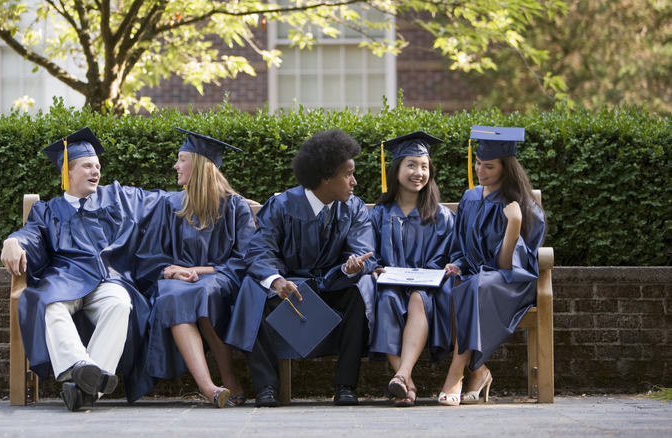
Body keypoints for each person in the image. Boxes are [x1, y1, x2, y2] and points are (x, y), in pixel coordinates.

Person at [0, 128, 163, 411]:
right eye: (88, 165)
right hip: (65, 279)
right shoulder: (48, 210)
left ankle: (82, 386)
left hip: (106, 278)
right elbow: (30, 234)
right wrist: (12, 240)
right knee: (47, 304)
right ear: (68, 171)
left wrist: (224, 200)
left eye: (98, 166)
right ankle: (83, 369)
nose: (95, 171)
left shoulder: (116, 199)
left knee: (121, 303)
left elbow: (163, 202)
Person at [225, 129, 376, 407]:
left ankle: (345, 386)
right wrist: (277, 280)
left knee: (361, 290)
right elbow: (260, 250)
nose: (354, 182)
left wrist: (351, 268)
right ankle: (266, 387)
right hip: (291, 285)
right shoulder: (282, 206)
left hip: (333, 283)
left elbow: (361, 248)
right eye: (348, 174)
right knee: (253, 290)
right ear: (325, 177)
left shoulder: (353, 208)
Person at [135, 128, 255, 408]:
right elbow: (150, 255)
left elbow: (244, 259)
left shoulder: (234, 207)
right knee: (175, 293)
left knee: (202, 291)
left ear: (200, 165)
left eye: (182, 159)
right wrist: (171, 271)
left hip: (219, 279)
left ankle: (228, 375)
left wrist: (198, 272)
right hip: (177, 281)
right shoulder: (170, 206)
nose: (176, 166)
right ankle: (210, 388)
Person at [437, 125, 546, 406]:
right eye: (478, 163)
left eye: (489, 166)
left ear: (506, 168)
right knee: (447, 286)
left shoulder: (525, 207)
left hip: (510, 283)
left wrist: (515, 223)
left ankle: (455, 374)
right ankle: (480, 371)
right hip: (477, 277)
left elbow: (507, 265)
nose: (480, 171)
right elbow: (460, 246)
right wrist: (457, 264)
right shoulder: (470, 198)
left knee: (474, 287)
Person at [369, 131, 455, 407]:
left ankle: (402, 376)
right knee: (386, 299)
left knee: (418, 297)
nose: (418, 172)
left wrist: (437, 272)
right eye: (411, 165)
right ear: (395, 170)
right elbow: (367, 251)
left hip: (428, 290)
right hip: (390, 285)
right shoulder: (378, 215)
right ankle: (408, 382)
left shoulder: (441, 216)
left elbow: (449, 255)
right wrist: (374, 268)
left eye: (424, 166)